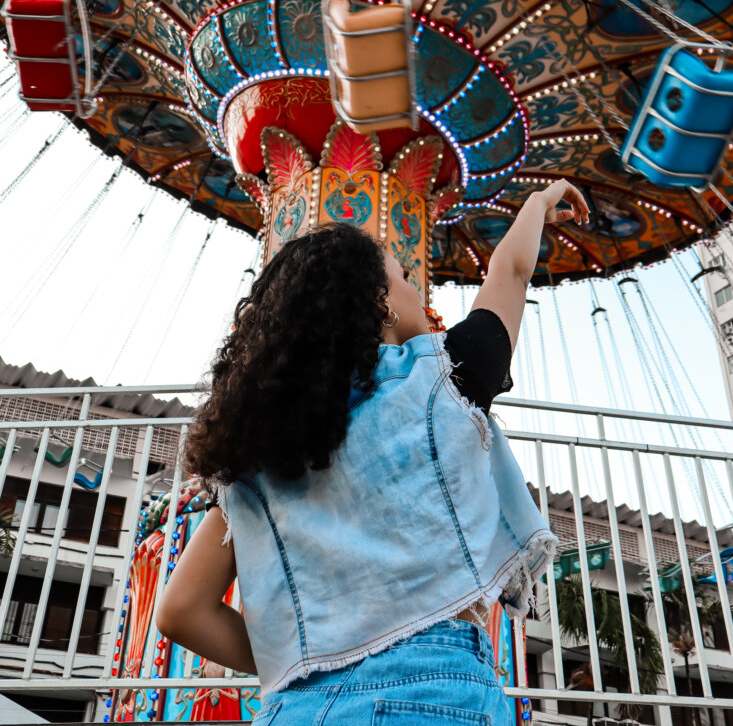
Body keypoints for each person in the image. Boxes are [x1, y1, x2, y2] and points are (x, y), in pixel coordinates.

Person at [156, 178, 590, 724]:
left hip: (298, 709)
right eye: (406, 278)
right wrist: (536, 205)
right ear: (381, 303)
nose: (417, 291)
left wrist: (304, 650)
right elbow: (510, 272)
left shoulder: (260, 454)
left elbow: (180, 611)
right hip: (432, 695)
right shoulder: (448, 379)